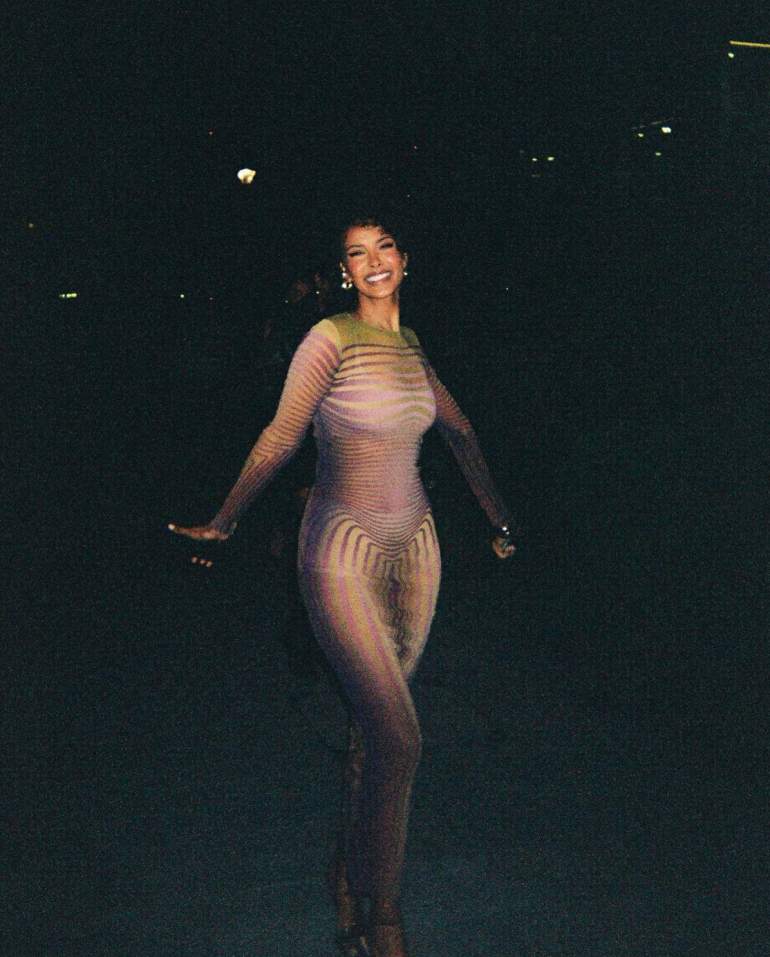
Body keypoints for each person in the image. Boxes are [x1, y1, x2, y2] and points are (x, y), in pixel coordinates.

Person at [169, 214, 517, 957]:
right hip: (339, 549)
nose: (374, 260)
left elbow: (461, 433)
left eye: (384, 246)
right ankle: (383, 919)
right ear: (345, 273)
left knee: (371, 738)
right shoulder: (329, 339)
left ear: (404, 259)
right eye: (357, 254)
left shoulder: (412, 347)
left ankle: (346, 875)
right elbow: (281, 435)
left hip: (416, 554)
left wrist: (499, 518)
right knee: (400, 735)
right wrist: (226, 520)